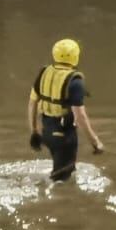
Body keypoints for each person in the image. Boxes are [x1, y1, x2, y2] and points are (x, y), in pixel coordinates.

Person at [28, 38, 106, 181]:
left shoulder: (44, 73)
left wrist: (34, 131)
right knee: (61, 181)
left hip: (47, 132)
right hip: (64, 137)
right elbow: (80, 116)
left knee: (61, 171)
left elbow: (32, 103)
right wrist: (96, 142)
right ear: (76, 56)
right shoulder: (75, 82)